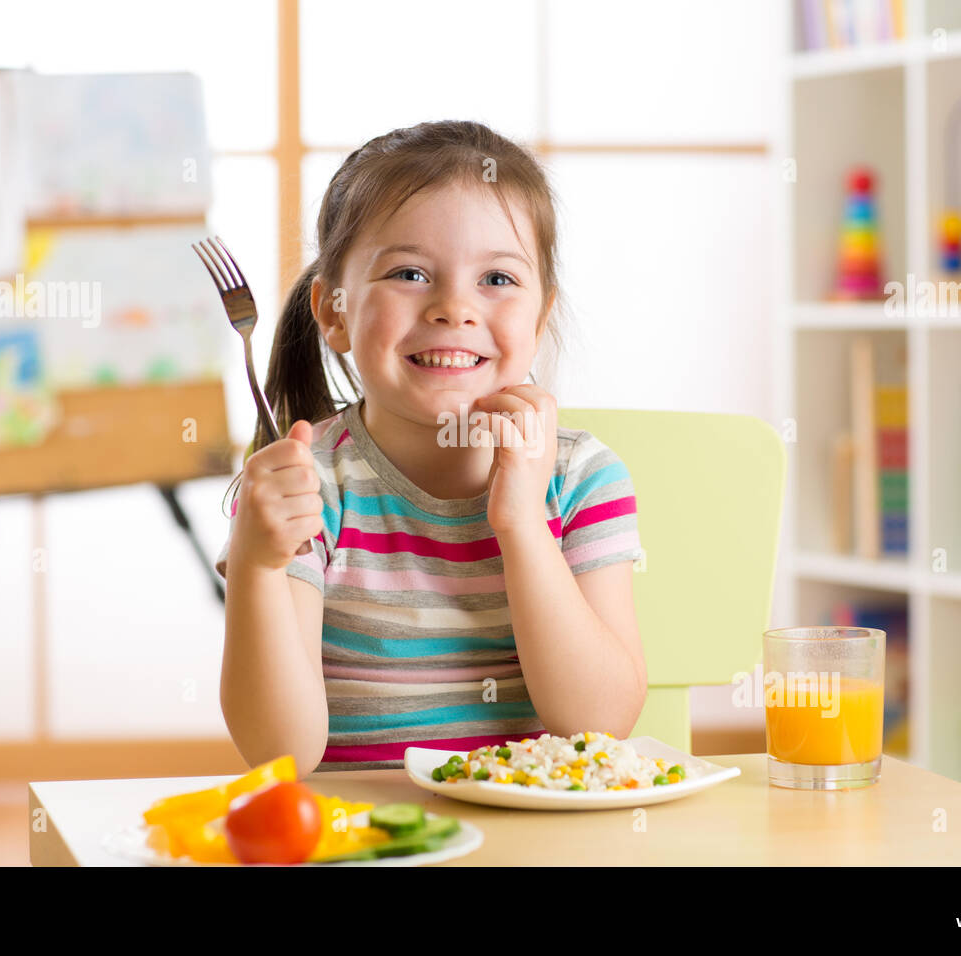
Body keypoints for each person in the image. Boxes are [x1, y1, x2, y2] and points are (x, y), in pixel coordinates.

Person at [214, 120, 645, 773]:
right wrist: (256, 565)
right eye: (410, 273)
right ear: (332, 312)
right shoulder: (306, 487)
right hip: (366, 836)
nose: (454, 308)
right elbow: (281, 755)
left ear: (540, 315)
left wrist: (523, 525)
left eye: (497, 279)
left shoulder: (581, 477)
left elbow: (601, 722)